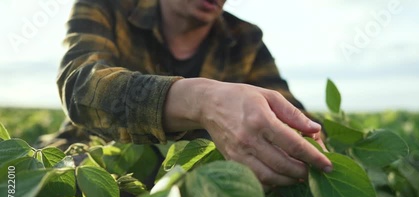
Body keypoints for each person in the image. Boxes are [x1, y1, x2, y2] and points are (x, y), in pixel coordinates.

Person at [55, 0, 332, 187]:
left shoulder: (244, 37)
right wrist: (201, 100)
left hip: (198, 183)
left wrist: (306, 136)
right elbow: (80, 85)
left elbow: (289, 108)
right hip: (99, 159)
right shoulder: (107, 6)